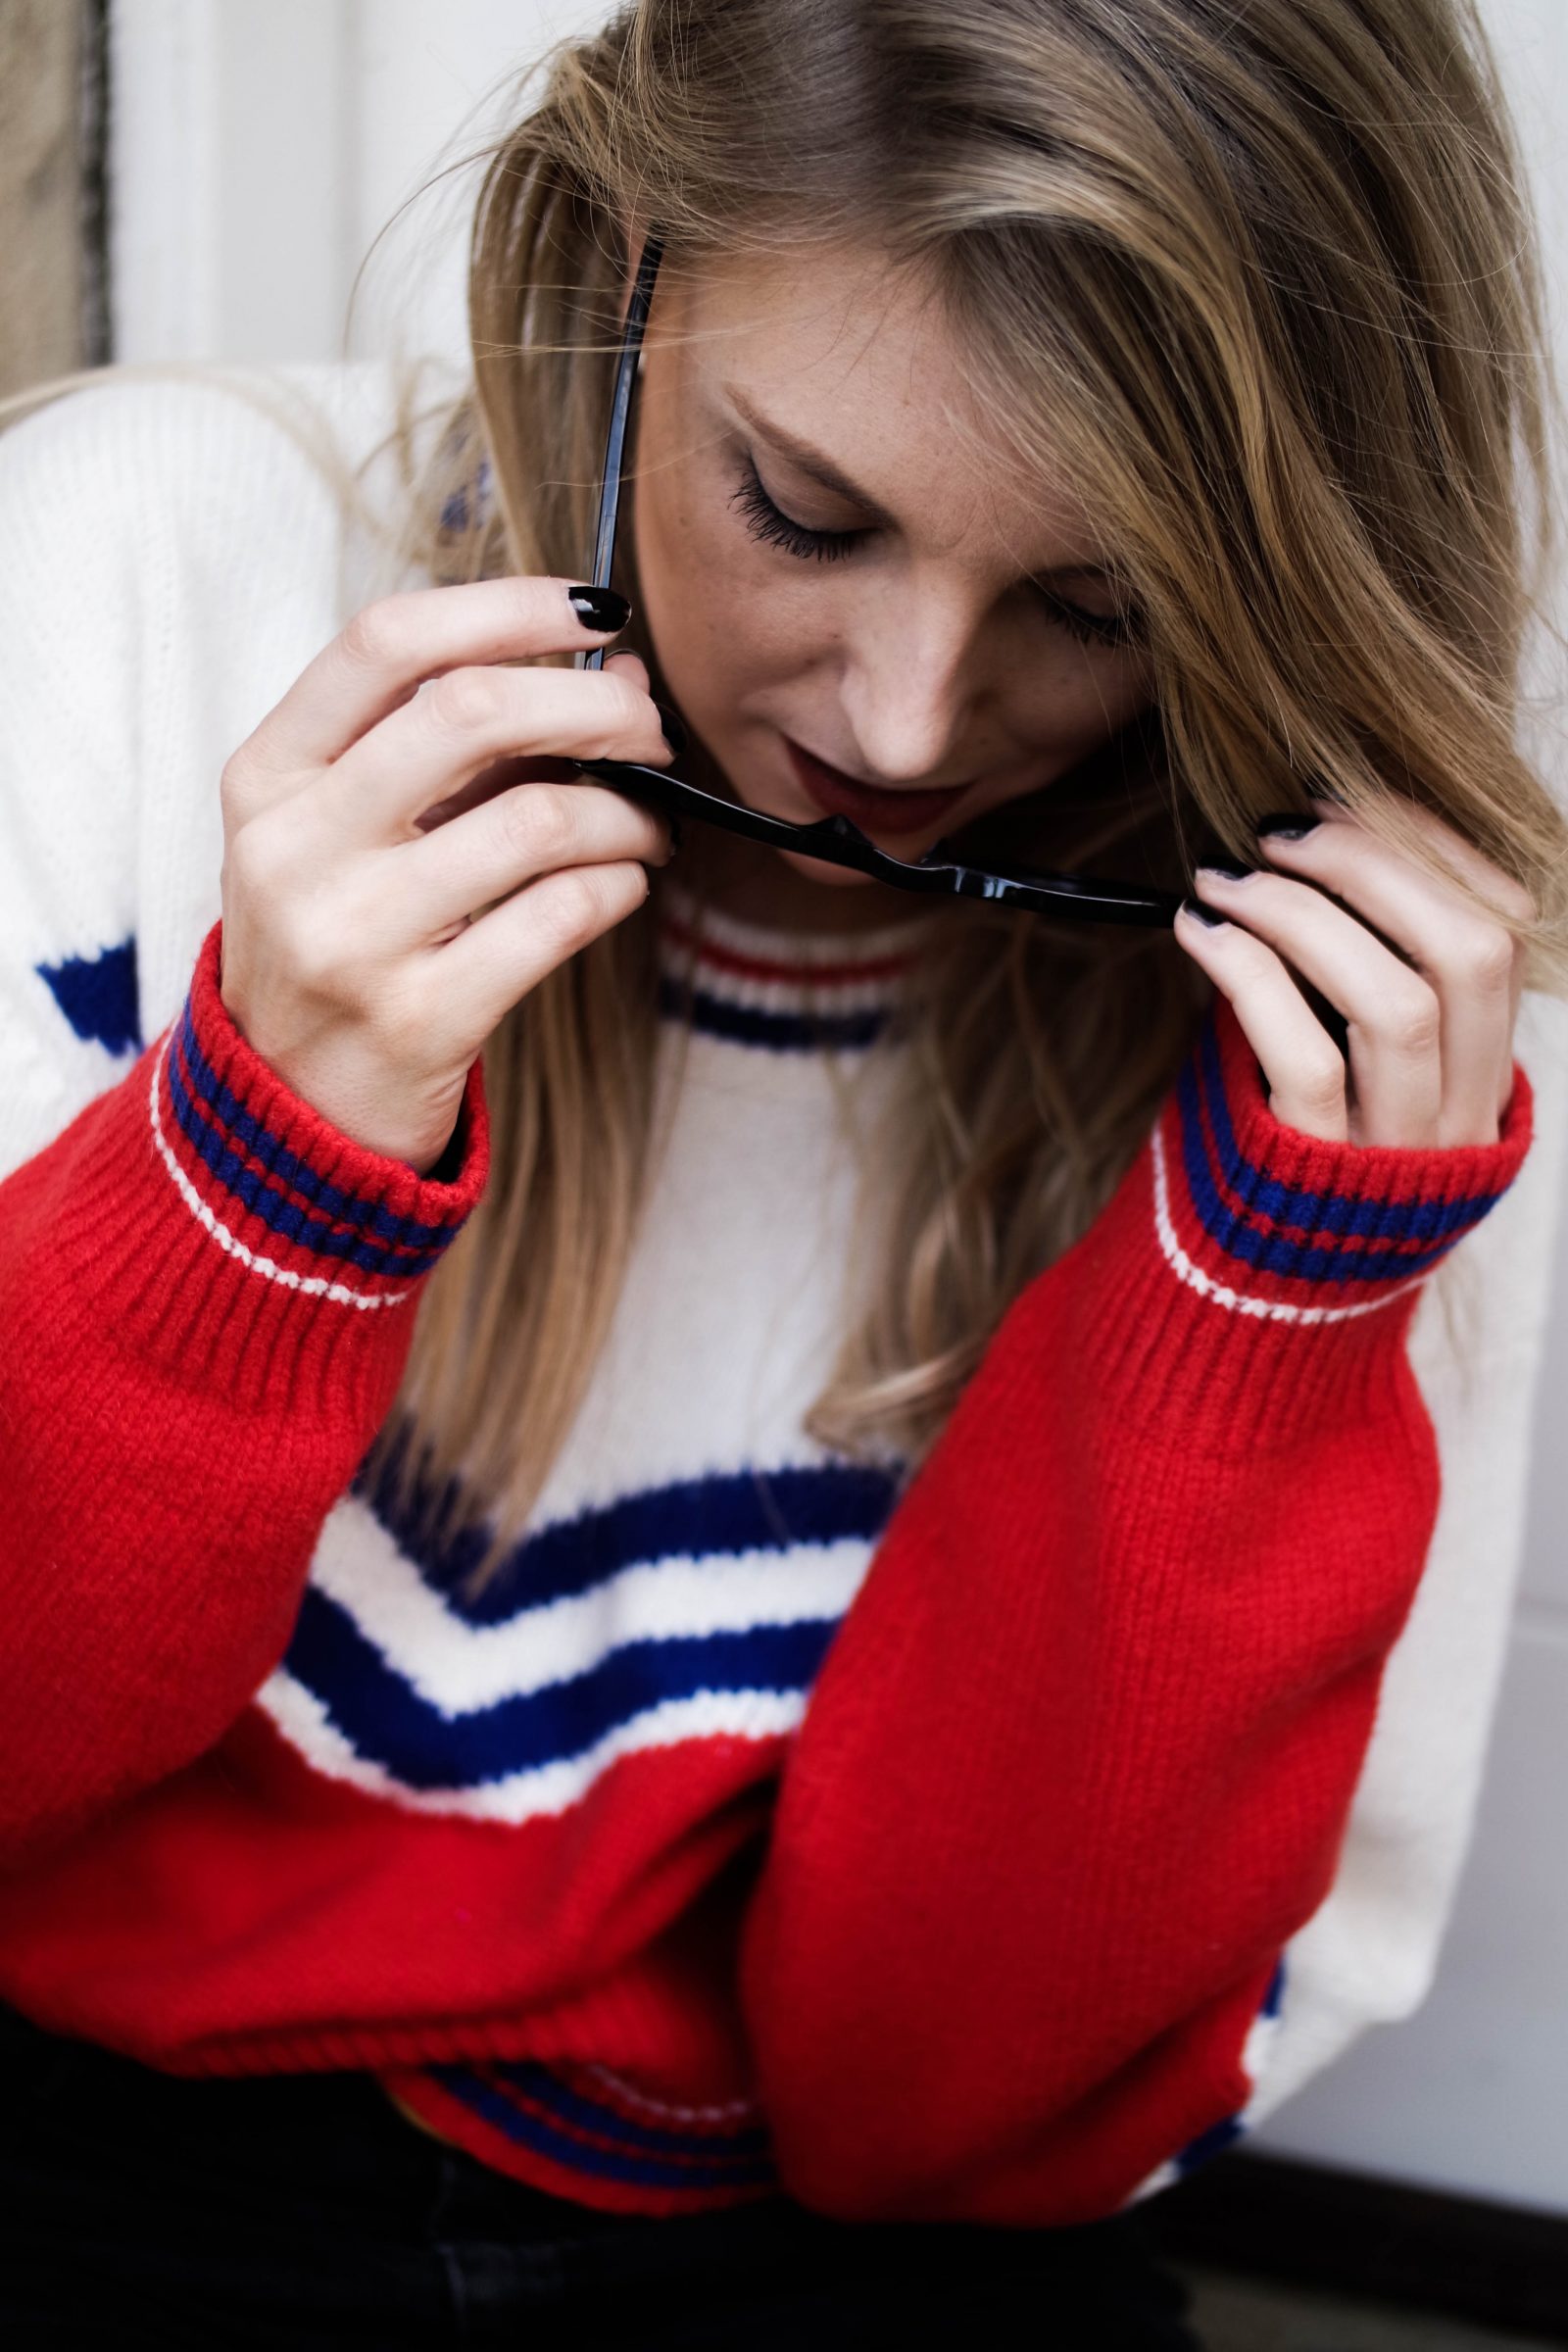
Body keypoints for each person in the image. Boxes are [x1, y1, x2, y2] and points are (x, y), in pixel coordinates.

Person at [1, 0, 1563, 2341]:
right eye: (805, 513)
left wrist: (1267, 1323)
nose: (907, 725)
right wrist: (250, 1175)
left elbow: (953, 2119)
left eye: (1098, 603)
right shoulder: (138, 570)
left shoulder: (1362, 1023)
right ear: (610, 274)